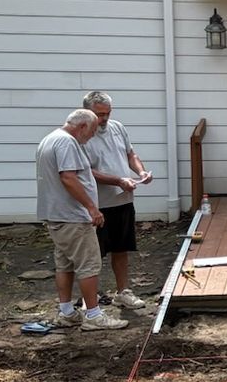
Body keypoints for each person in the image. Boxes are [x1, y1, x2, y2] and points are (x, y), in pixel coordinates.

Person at [34, 109, 127, 330]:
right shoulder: (67, 143)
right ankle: (93, 316)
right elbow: (68, 177)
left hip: (57, 215)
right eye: (92, 130)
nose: (93, 135)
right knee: (89, 264)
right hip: (72, 216)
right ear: (82, 126)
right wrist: (92, 208)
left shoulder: (49, 139)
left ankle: (67, 312)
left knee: (64, 264)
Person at [81, 90, 151, 310]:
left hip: (122, 200)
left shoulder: (118, 128)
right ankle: (89, 301)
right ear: (86, 112)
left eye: (107, 114)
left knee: (121, 249)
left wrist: (141, 172)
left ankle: (123, 292)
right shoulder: (81, 136)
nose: (103, 119)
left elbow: (131, 154)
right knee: (93, 254)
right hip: (97, 204)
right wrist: (118, 180)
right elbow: (86, 171)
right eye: (99, 114)